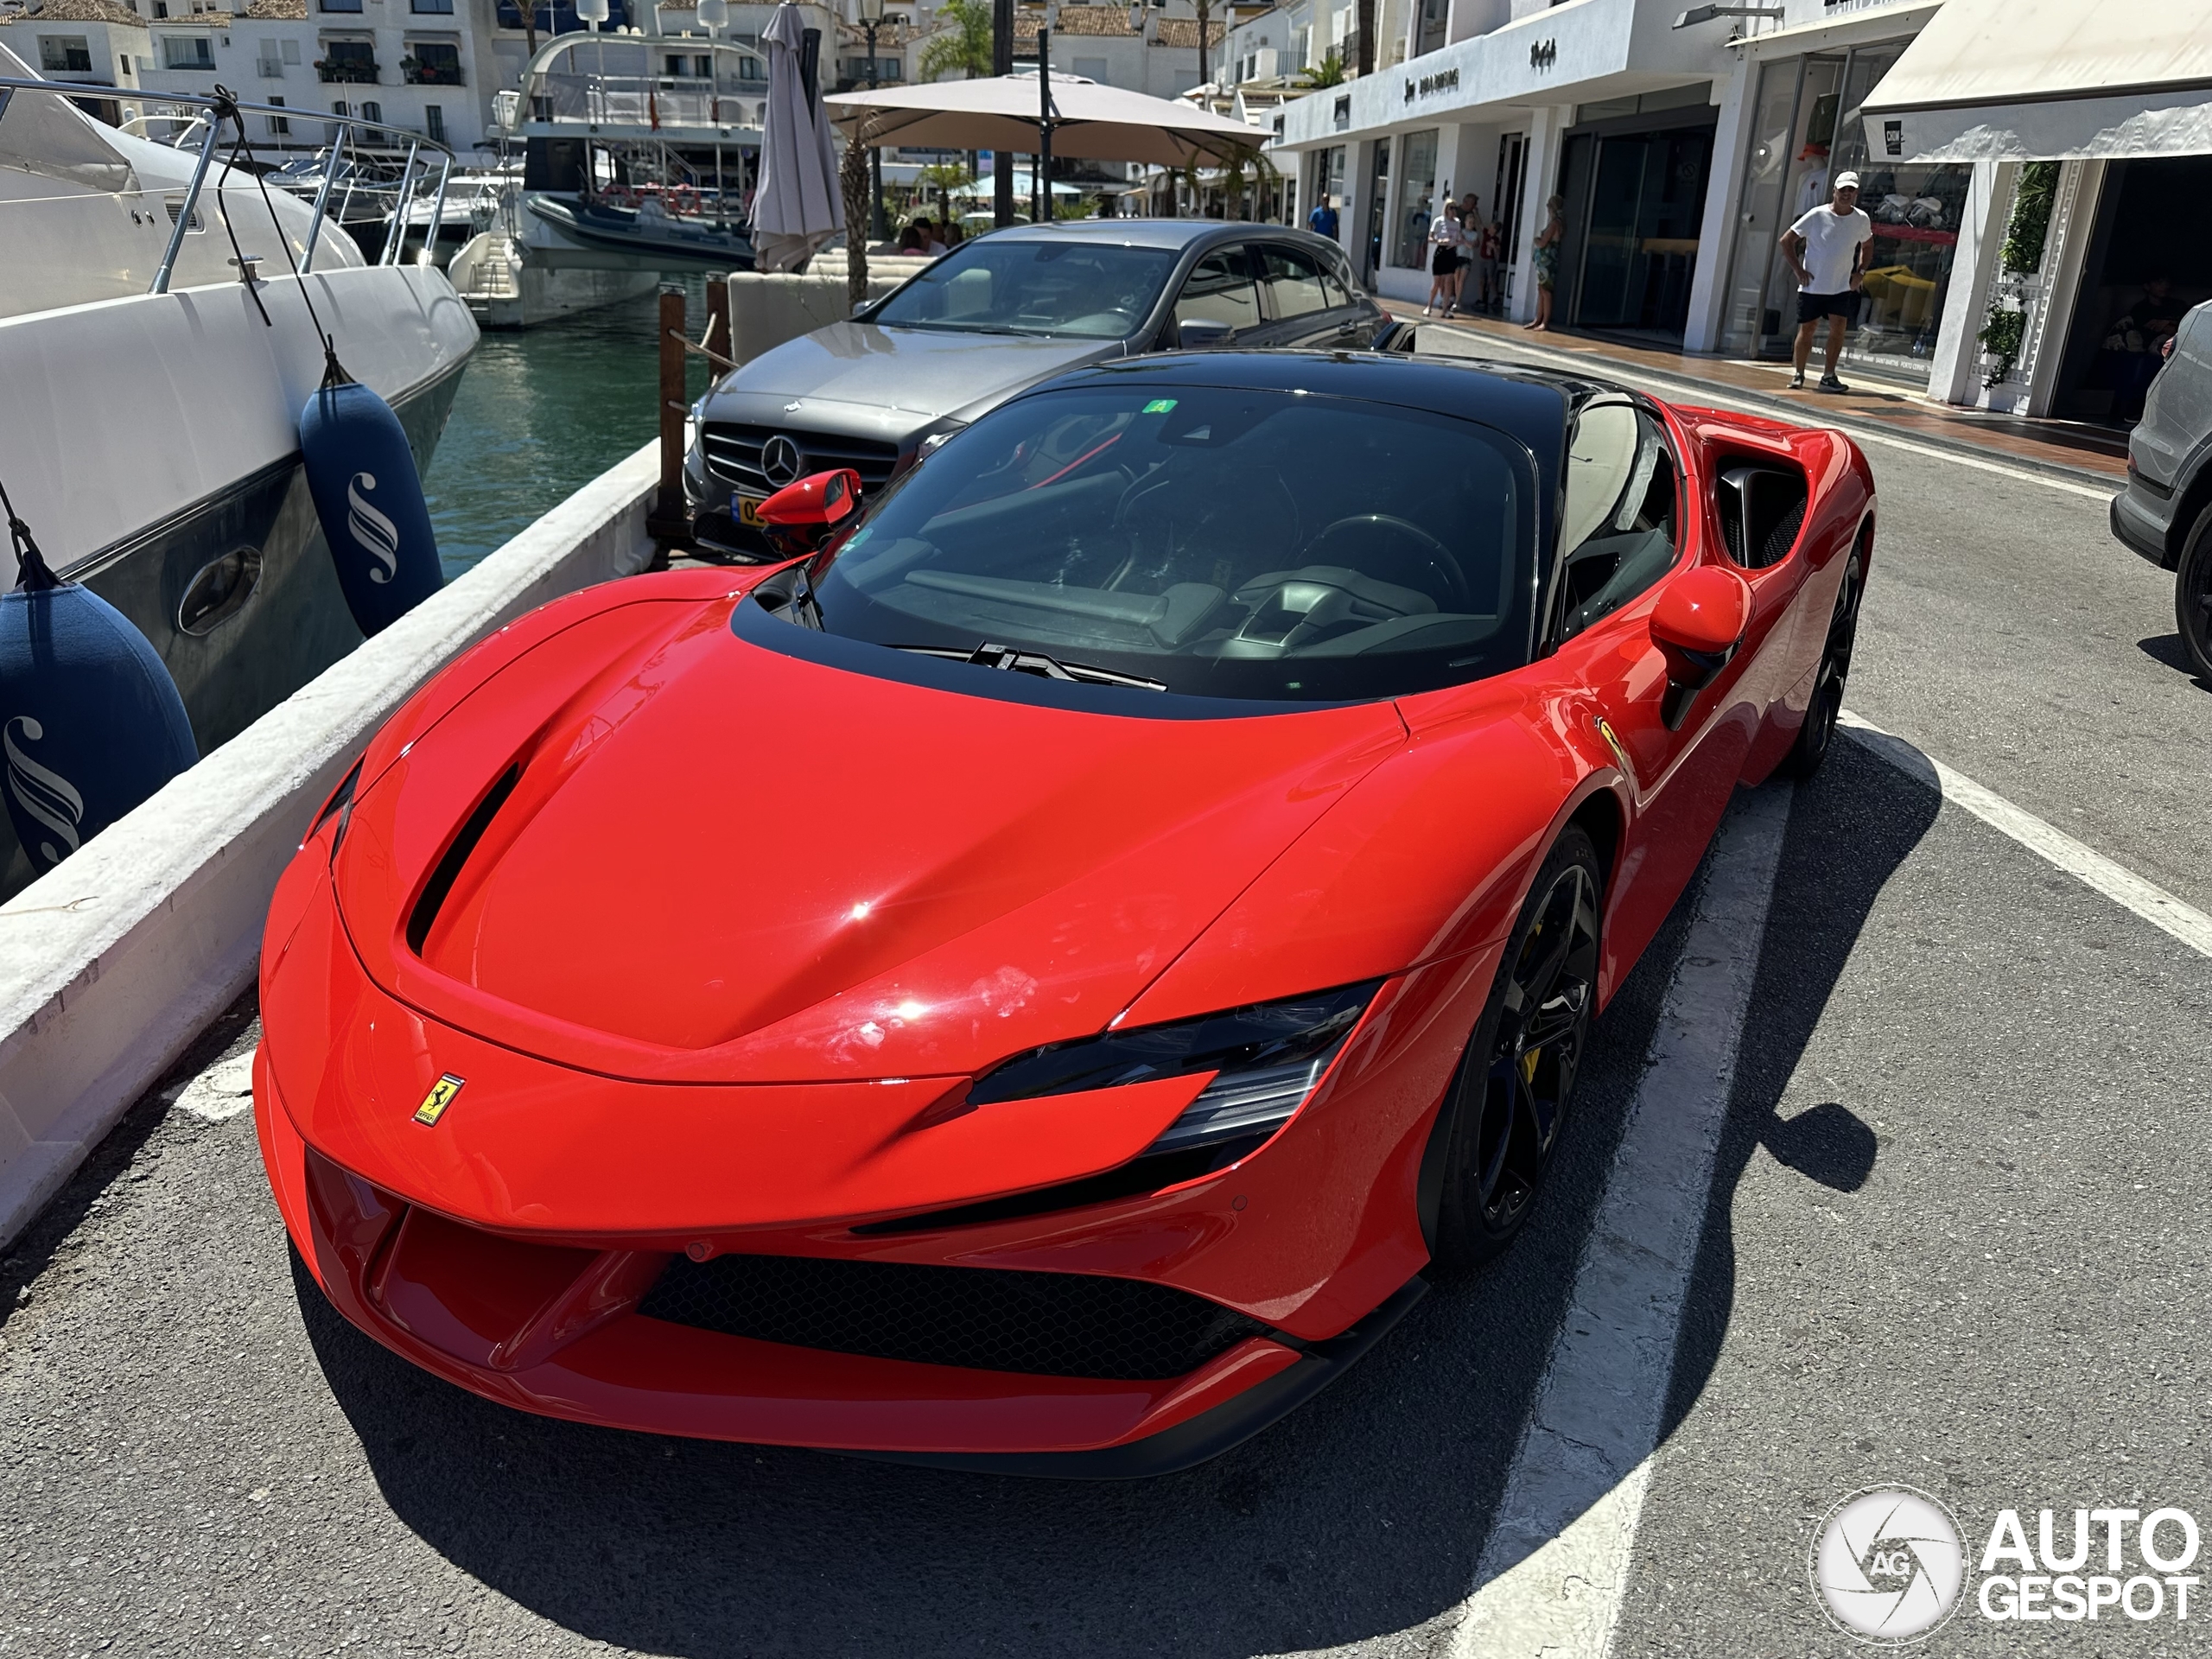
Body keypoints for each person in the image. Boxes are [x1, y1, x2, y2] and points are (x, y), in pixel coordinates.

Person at [1781, 170, 1873, 392]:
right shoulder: (1817, 215)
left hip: (1840, 287)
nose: (1846, 194)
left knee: (1838, 329)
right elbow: (1787, 240)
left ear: (1856, 193)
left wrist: (1860, 272)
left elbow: (1868, 245)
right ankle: (1799, 374)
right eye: (1843, 190)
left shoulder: (1861, 219)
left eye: (1851, 190)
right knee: (1808, 329)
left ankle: (1828, 376)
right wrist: (1798, 270)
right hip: (1813, 285)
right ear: (1834, 191)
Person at [1526, 194, 1564, 331]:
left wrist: (1536, 239)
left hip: (1547, 262)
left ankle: (1544, 321)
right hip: (1544, 263)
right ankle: (1538, 319)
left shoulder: (1554, 224)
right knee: (1541, 289)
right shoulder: (1555, 222)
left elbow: (1542, 243)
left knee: (1546, 291)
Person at [1425, 203, 1465, 317]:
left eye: (1455, 208)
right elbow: (1430, 238)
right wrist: (1440, 241)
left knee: (1449, 282)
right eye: (1450, 208)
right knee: (1437, 282)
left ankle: (1445, 310)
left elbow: (1458, 237)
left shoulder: (1457, 223)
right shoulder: (1439, 221)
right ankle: (1429, 306)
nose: (1453, 211)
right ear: (1446, 209)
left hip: (1451, 251)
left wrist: (1459, 241)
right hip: (1441, 251)